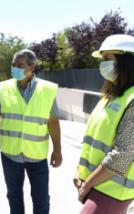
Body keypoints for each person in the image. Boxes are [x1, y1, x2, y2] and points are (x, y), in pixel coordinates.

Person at [0, 49, 63, 214]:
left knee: (41, 199)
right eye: (13, 65)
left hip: (37, 156)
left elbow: (53, 121)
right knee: (14, 197)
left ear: (32, 67)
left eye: (20, 65)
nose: (15, 68)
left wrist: (57, 149)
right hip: (10, 154)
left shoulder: (47, 90)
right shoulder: (4, 88)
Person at [74, 34, 134, 214]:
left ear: (126, 62)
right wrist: (80, 173)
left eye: (108, 59)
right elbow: (92, 142)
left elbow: (123, 155)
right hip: (98, 185)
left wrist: (88, 183)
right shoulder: (112, 96)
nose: (103, 65)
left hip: (113, 191)